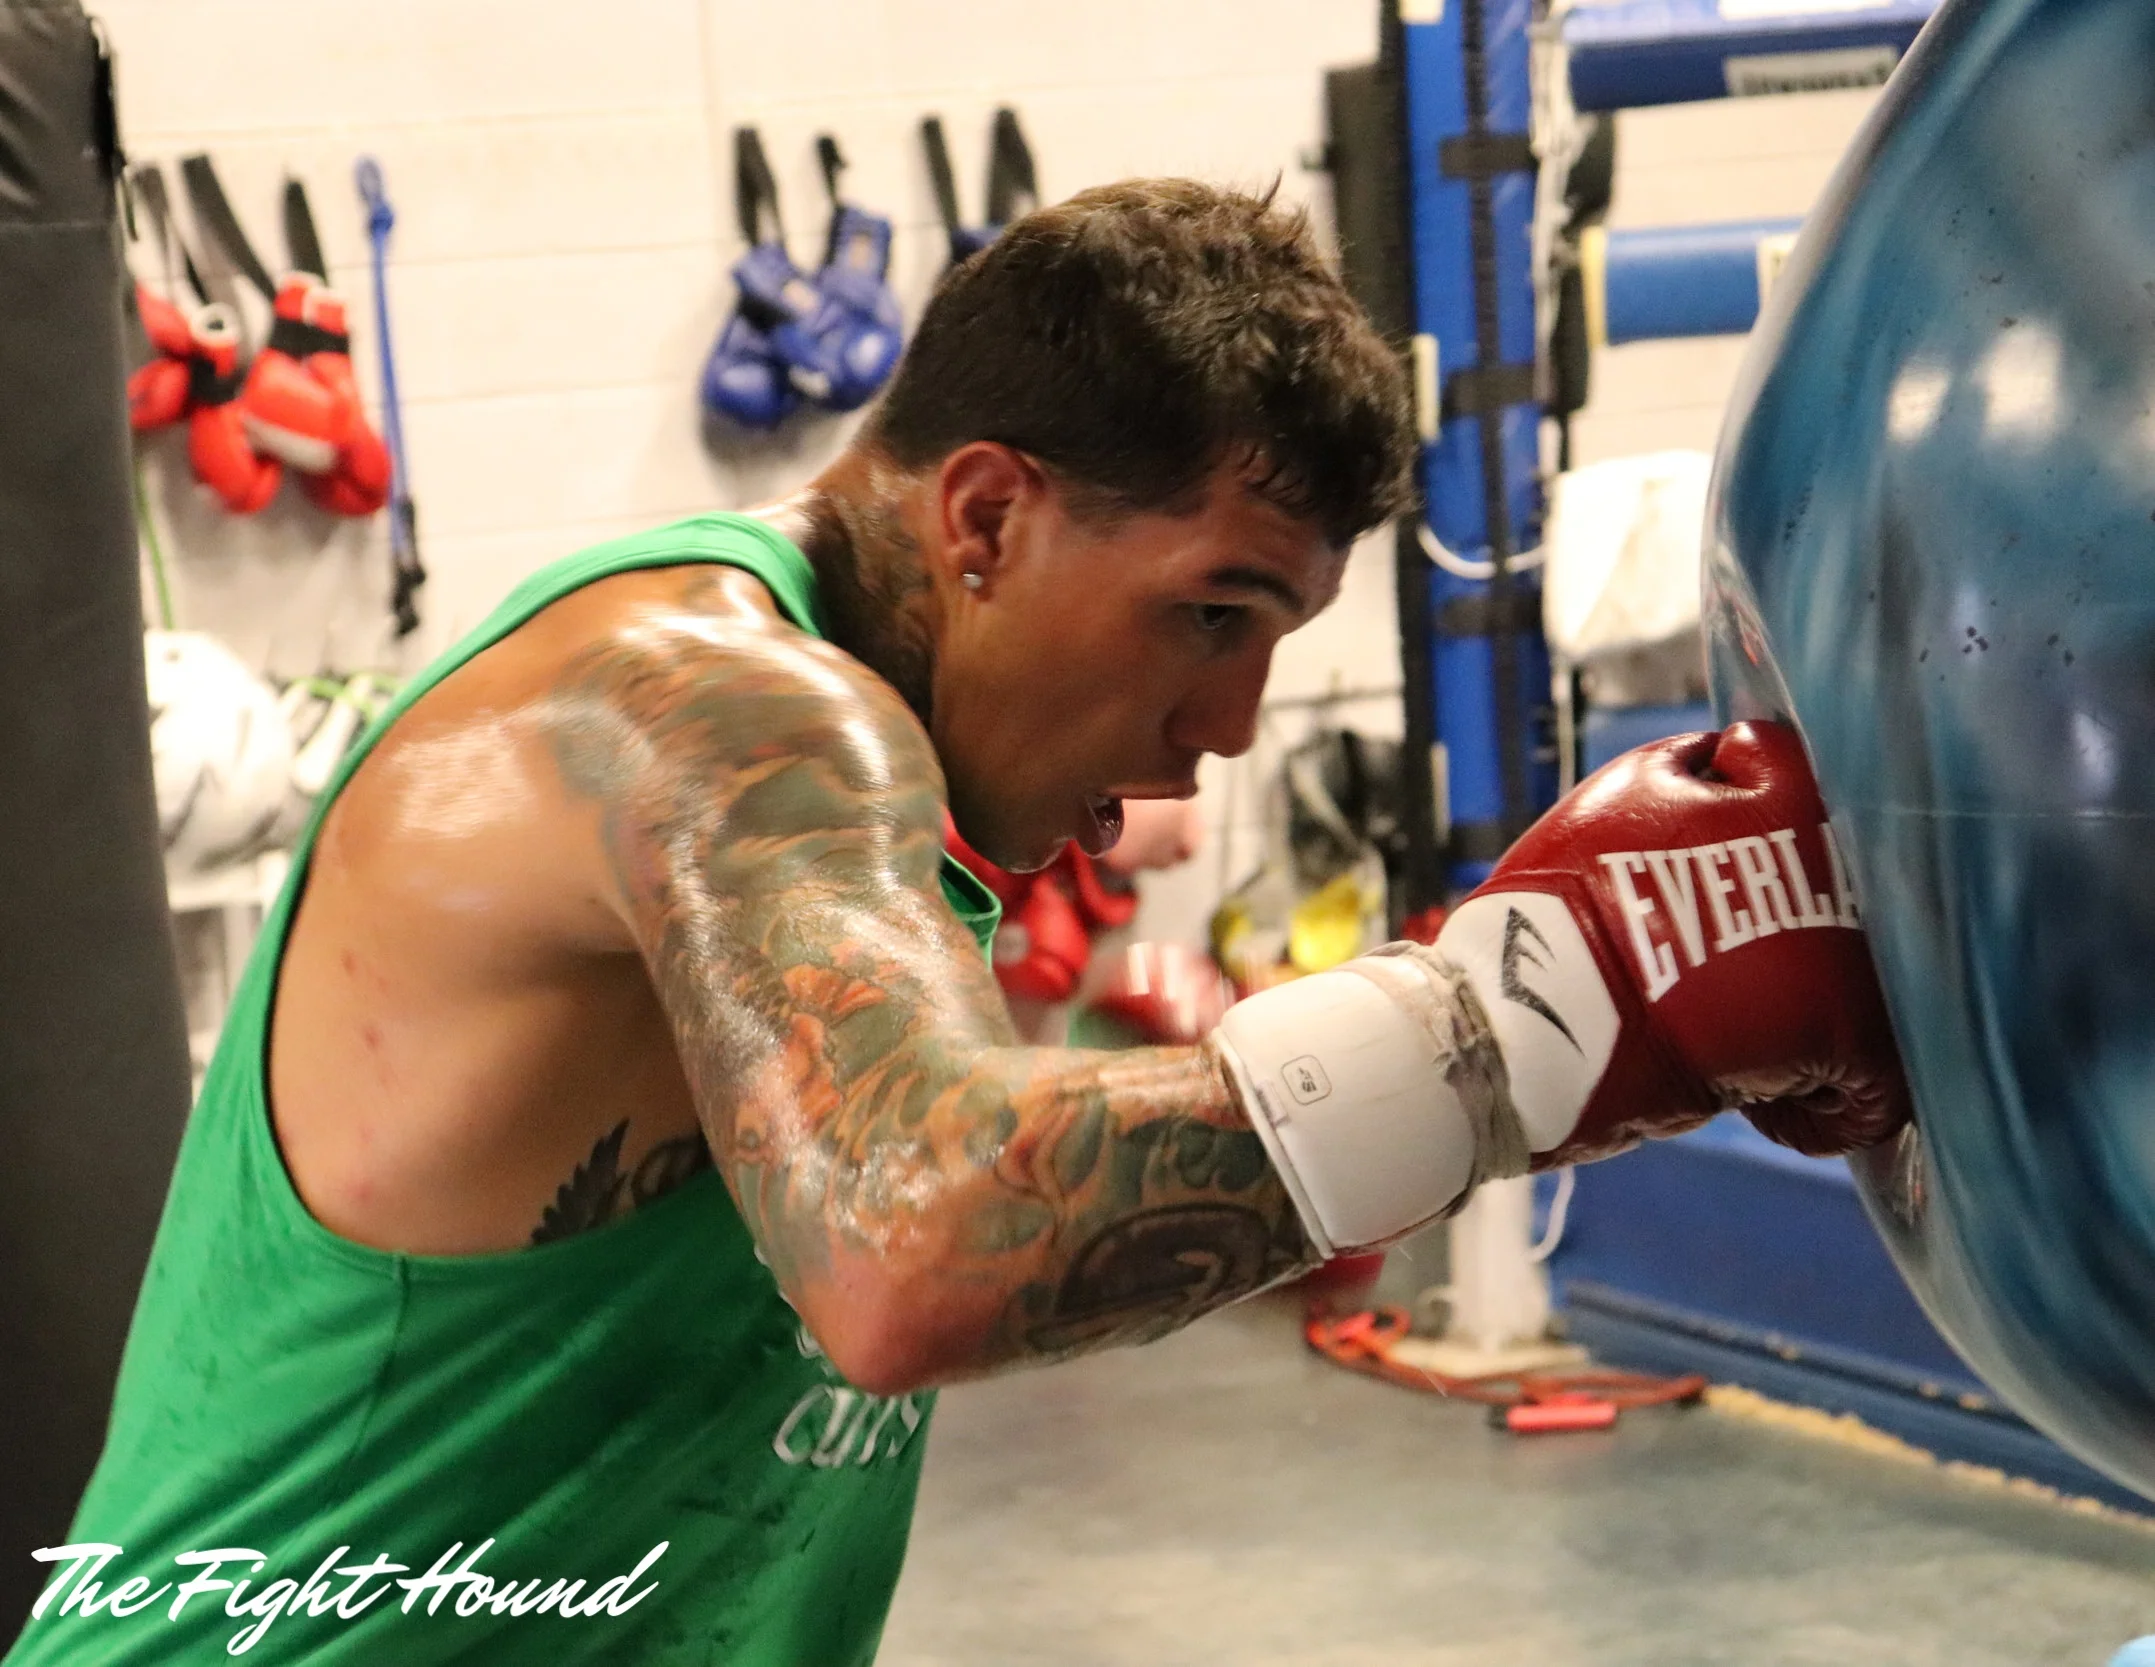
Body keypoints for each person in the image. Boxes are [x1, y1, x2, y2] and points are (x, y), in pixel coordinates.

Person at [4, 180, 1908, 1667]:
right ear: (984, 516)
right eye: (1212, 611)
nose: (1228, 726)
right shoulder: (712, 709)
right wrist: (1551, 1009)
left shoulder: (870, 769)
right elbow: (914, 1240)